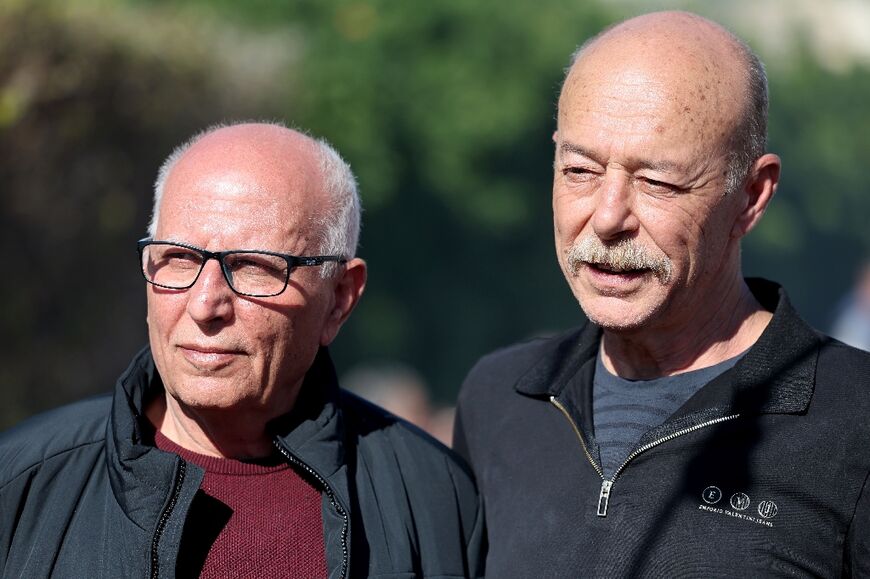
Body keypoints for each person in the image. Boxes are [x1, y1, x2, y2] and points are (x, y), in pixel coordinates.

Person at [454, 11, 870, 577]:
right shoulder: (499, 401)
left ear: (750, 196)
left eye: (657, 182)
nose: (607, 217)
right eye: (579, 169)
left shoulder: (854, 422)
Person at [1, 122, 484, 578]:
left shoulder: (434, 499)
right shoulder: (22, 483)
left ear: (339, 298)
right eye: (178, 258)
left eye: (254, 266)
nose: (206, 304)